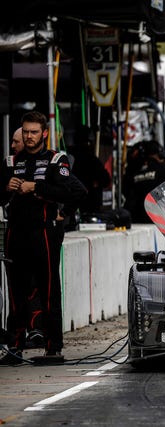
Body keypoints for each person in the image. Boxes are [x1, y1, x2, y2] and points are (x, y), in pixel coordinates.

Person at [0, 111, 86, 364]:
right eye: (25, 132)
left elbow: (69, 192)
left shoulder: (56, 160)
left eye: (34, 132)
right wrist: (7, 188)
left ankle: (52, 347)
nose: (29, 137)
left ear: (44, 133)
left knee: (49, 290)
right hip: (16, 231)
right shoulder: (9, 162)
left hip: (44, 231)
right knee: (16, 291)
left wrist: (36, 187)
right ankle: (14, 348)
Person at [124, 140, 165, 223]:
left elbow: (126, 192)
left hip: (137, 220)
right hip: (160, 220)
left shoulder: (133, 172)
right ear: (159, 154)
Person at [68, 125, 111, 215]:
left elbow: (105, 180)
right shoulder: (91, 159)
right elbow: (105, 179)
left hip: (76, 204)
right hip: (88, 205)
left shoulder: (70, 156)